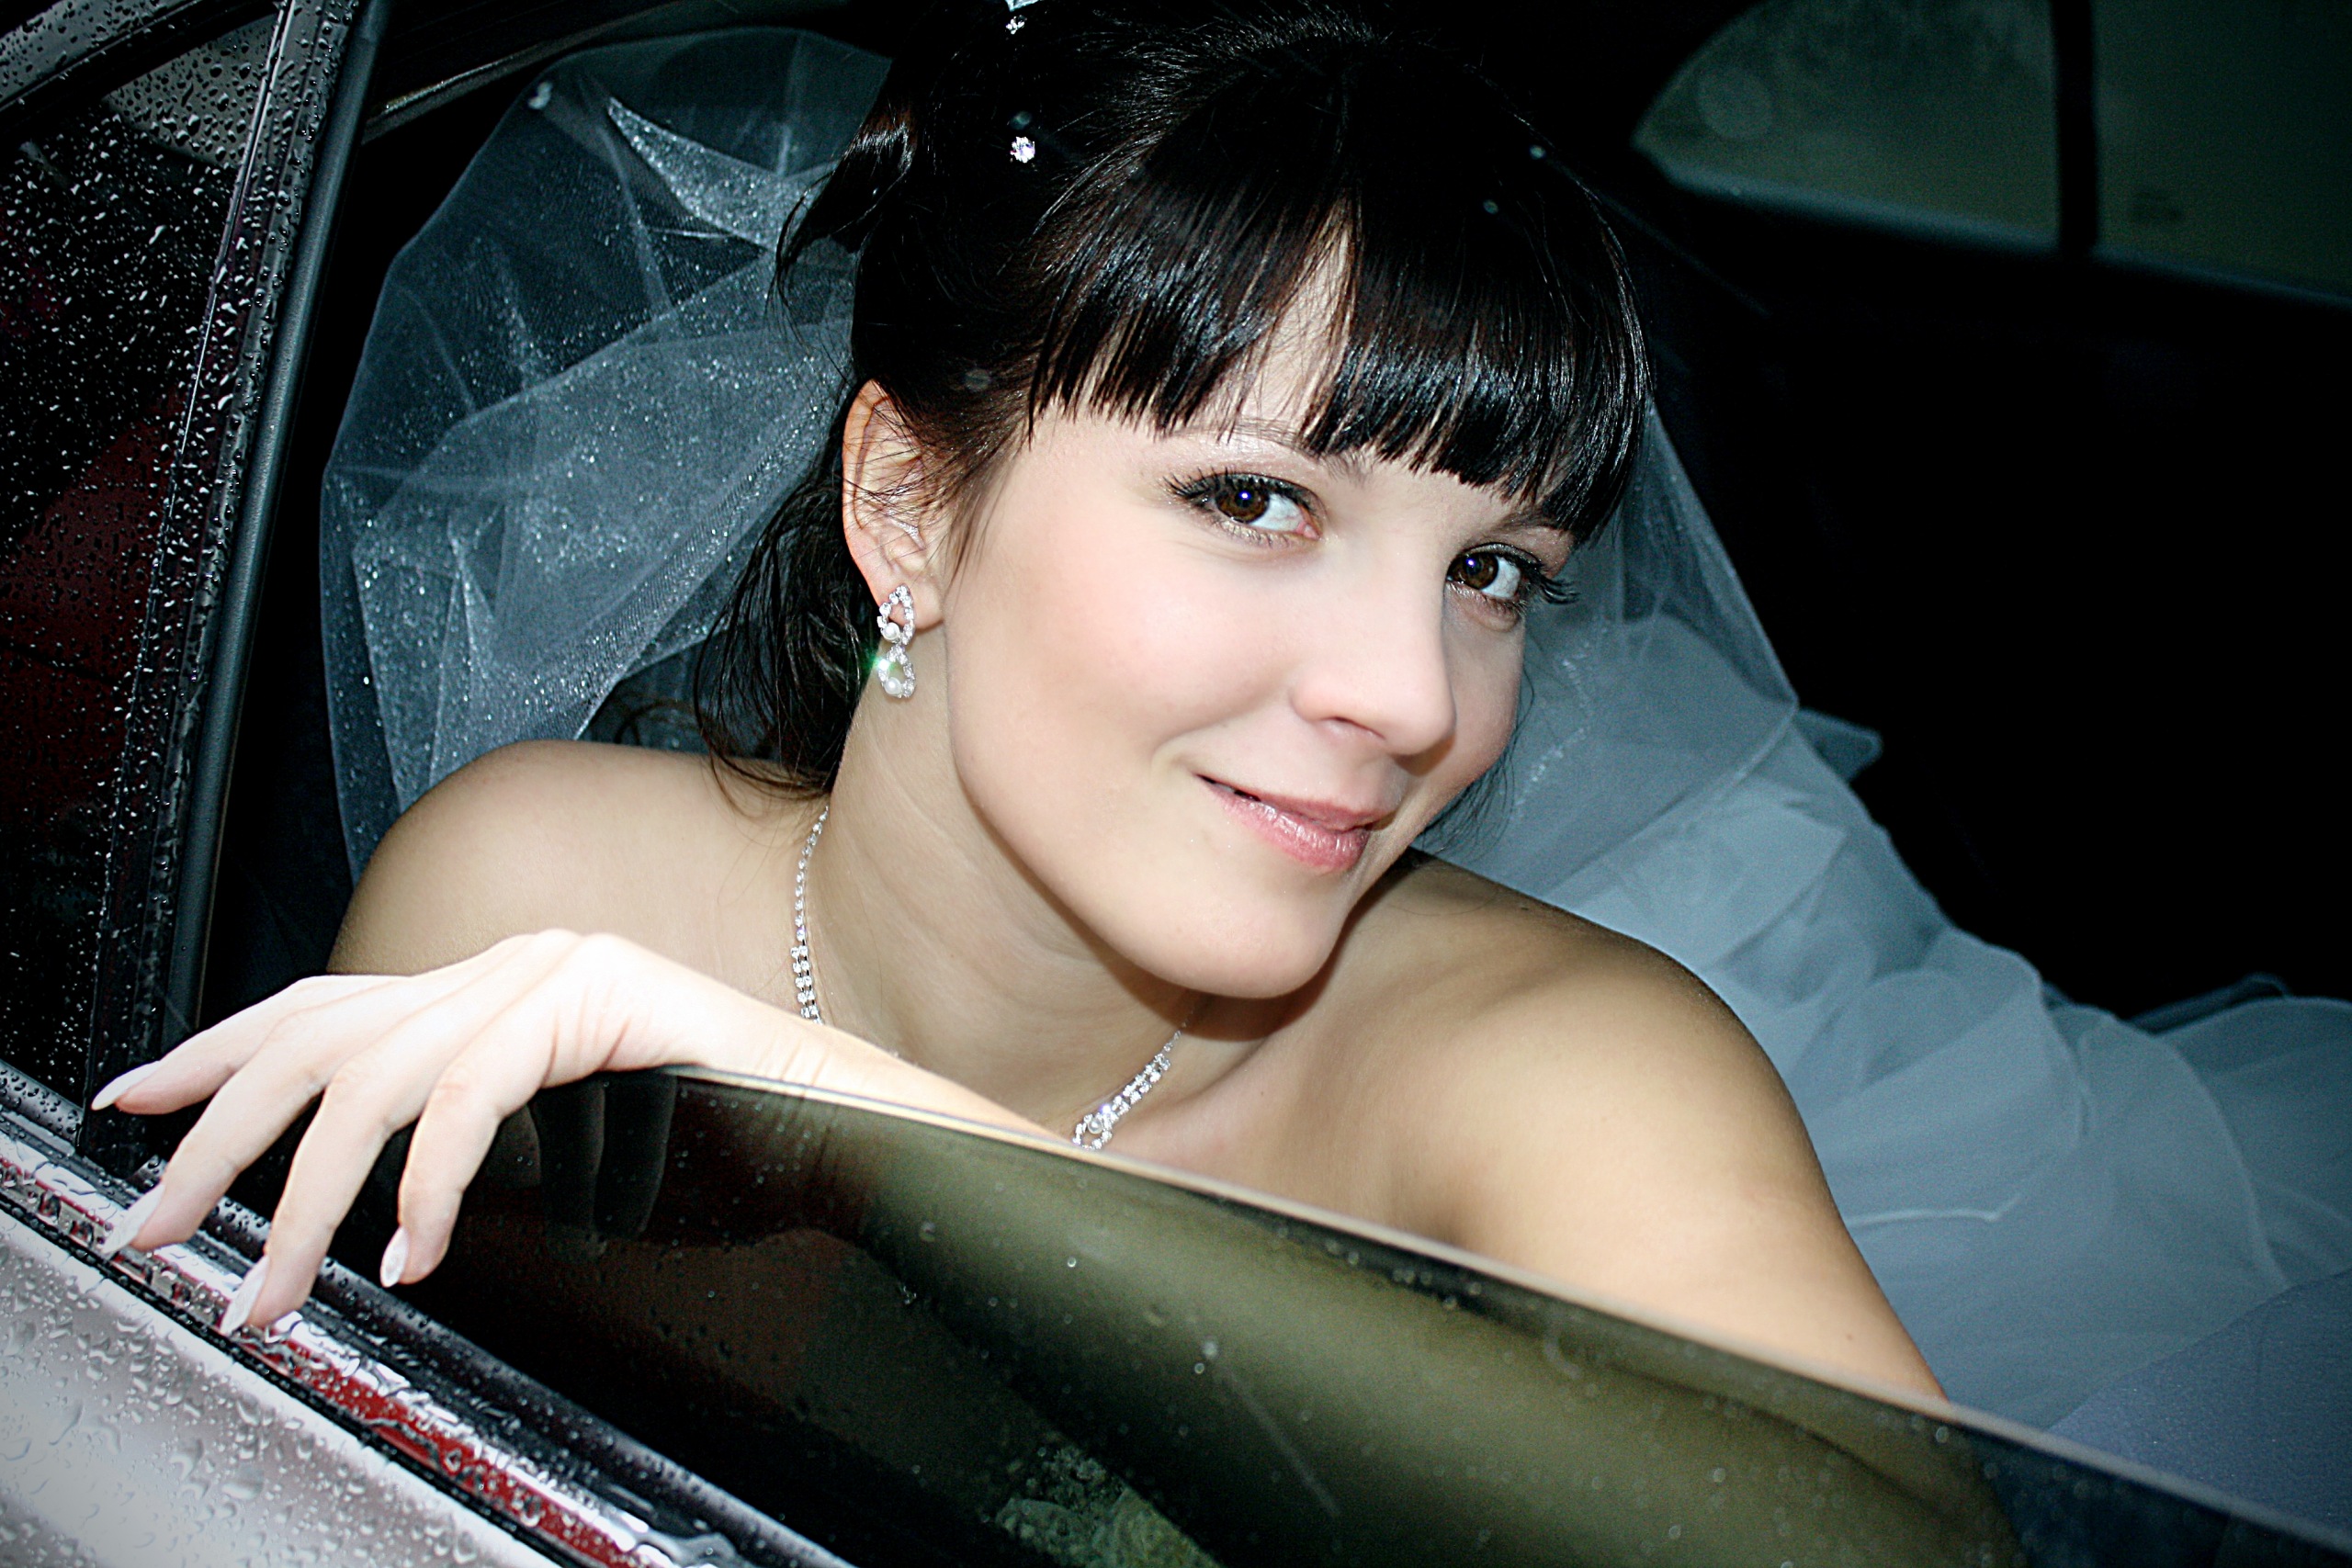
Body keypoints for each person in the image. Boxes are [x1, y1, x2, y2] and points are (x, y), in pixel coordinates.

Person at [95, 0, 1950, 1403]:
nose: (1411, 702)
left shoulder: (1569, 1066)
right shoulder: (529, 889)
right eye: (1255, 503)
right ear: (906, 503)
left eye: (1493, 574)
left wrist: (866, 1137)